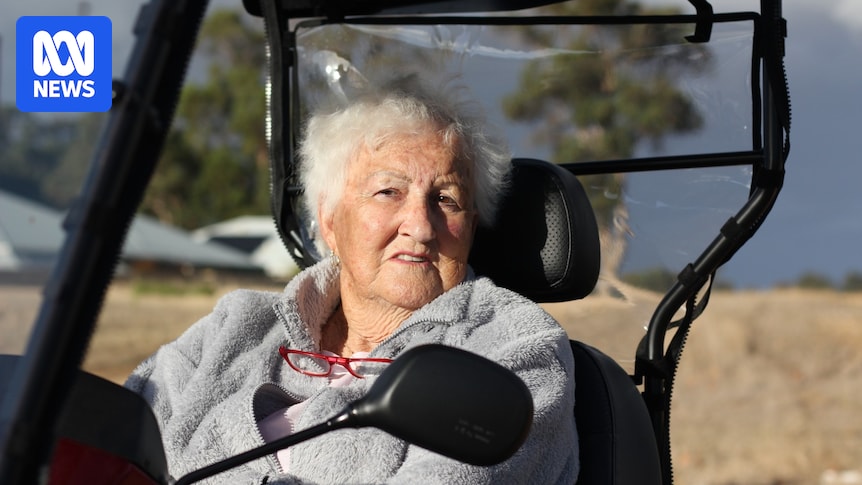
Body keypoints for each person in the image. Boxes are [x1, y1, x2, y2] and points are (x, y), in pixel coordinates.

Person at [125, 75, 579, 484]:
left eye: (446, 199)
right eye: (388, 192)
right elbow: (111, 437)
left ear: (473, 228)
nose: (421, 227)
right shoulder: (237, 326)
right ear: (329, 220)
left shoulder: (513, 351)